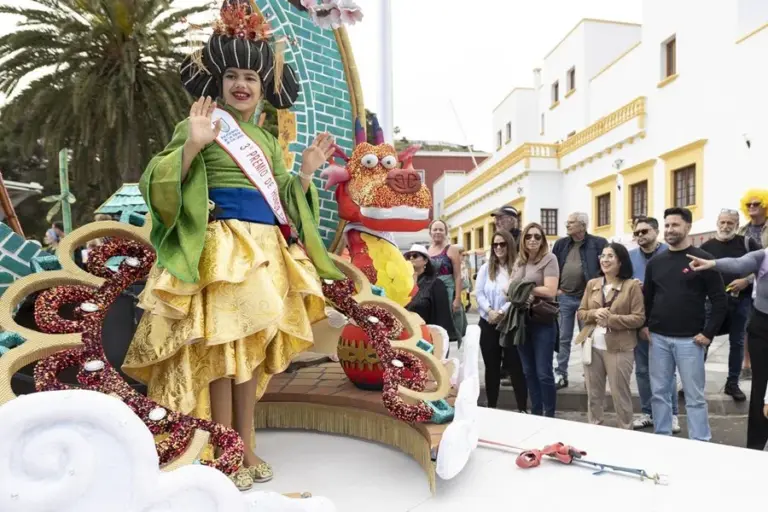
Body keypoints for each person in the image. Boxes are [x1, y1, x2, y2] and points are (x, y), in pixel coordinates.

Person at [121, 0, 344, 491]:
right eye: (233, 76)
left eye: (252, 77)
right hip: (221, 252)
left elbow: (286, 198)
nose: (242, 85)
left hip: (262, 253)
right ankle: (221, 447)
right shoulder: (198, 125)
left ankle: (246, 442)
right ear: (218, 82)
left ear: (264, 88)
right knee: (221, 357)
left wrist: (305, 172)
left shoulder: (265, 141)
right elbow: (158, 183)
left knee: (249, 353)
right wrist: (193, 145)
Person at [642, 208, 727, 441]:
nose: (670, 230)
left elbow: (720, 300)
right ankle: (662, 437)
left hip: (691, 340)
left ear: (688, 227)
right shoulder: (655, 263)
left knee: (694, 396)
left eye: (675, 225)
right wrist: (646, 325)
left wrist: (708, 333)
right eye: (667, 225)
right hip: (658, 338)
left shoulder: (702, 260)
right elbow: (648, 297)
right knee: (659, 393)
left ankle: (700, 442)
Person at [688, 245, 768, 450]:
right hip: (763, 328)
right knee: (760, 388)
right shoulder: (763, 255)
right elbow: (739, 263)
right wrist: (712, 263)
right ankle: (756, 447)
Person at [576, 243, 644, 429]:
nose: (605, 260)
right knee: (594, 395)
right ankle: (595, 429)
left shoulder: (631, 286)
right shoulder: (593, 284)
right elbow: (581, 312)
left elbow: (639, 318)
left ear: (621, 261)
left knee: (620, 395)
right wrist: (593, 314)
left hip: (619, 348)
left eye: (610, 256)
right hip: (592, 346)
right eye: (603, 255)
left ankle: (625, 430)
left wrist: (611, 320)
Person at [700, 209, 759, 401]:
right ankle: (694, 382)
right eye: (722, 222)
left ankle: (732, 383)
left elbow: (763, 268)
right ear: (717, 222)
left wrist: (747, 281)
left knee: (737, 342)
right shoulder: (706, 246)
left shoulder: (747, 243)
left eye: (730, 223)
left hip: (741, 301)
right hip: (713, 302)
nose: (725, 226)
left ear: (737, 224)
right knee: (704, 340)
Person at [628, 217, 680, 433]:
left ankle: (672, 414)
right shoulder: (630, 257)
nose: (640, 236)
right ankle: (648, 412)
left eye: (645, 231)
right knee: (641, 370)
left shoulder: (670, 253)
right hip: (639, 322)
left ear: (656, 231)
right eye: (637, 233)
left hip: (666, 321)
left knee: (667, 371)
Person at [551, 212, 607, 389]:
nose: (567, 225)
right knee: (563, 337)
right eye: (567, 222)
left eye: (571, 222)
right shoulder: (561, 244)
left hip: (588, 299)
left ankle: (589, 375)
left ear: (583, 225)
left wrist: (599, 291)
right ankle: (561, 373)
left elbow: (606, 267)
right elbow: (553, 267)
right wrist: (556, 289)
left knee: (588, 338)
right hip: (565, 297)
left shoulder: (598, 243)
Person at [475, 230, 528, 411]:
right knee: (492, 367)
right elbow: (479, 293)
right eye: (495, 244)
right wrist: (489, 311)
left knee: (515, 366)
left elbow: (517, 295)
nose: (498, 248)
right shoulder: (485, 268)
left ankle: (522, 407)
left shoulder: (517, 268)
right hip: (488, 322)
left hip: (510, 322)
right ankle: (492, 405)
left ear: (510, 245)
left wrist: (501, 312)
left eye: (502, 244)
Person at [511, 223, 559, 417]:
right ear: (523, 240)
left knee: (543, 372)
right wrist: (522, 290)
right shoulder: (520, 261)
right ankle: (537, 412)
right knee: (528, 371)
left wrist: (523, 288)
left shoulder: (549, 259)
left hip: (542, 321)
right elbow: (509, 290)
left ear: (543, 240)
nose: (532, 239)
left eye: (537, 237)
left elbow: (550, 290)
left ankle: (549, 414)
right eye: (529, 236)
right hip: (522, 321)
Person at [737, 189, 768, 380]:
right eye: (749, 204)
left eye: (756, 204)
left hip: (763, 283)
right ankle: (746, 363)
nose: (752, 207)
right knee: (746, 324)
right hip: (744, 283)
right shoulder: (743, 230)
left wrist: (748, 279)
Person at [403, 244, 457, 339]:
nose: (411, 258)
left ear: (425, 260)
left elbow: (442, 316)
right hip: (405, 334)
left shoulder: (436, 284)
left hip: (426, 336)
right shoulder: (401, 282)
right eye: (408, 256)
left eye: (415, 255)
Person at [427, 220, 466, 343]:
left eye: (441, 229)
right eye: (435, 229)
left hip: (447, 294)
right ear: (430, 232)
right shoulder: (427, 250)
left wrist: (458, 298)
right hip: (431, 293)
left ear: (446, 232)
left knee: (445, 330)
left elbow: (458, 275)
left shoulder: (451, 249)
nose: (438, 232)